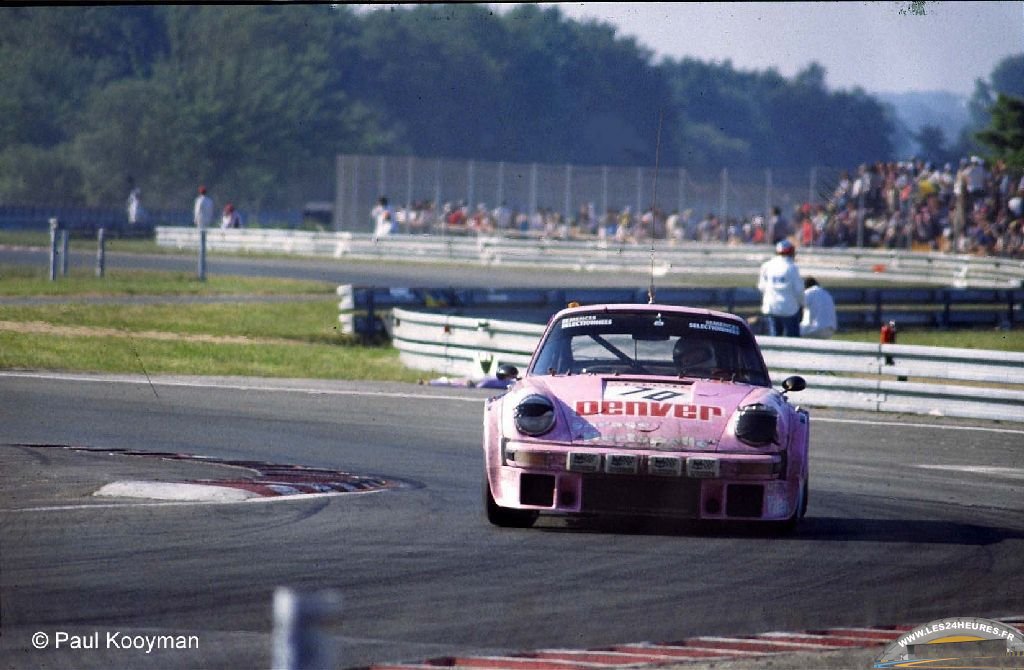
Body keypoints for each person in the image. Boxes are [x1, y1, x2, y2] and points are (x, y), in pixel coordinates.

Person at [758, 239, 804, 337]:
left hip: (771, 307)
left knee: (774, 338)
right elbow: (798, 290)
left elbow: (762, 287)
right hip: (789, 310)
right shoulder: (792, 267)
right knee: (793, 339)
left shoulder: (766, 266)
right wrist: (802, 303)